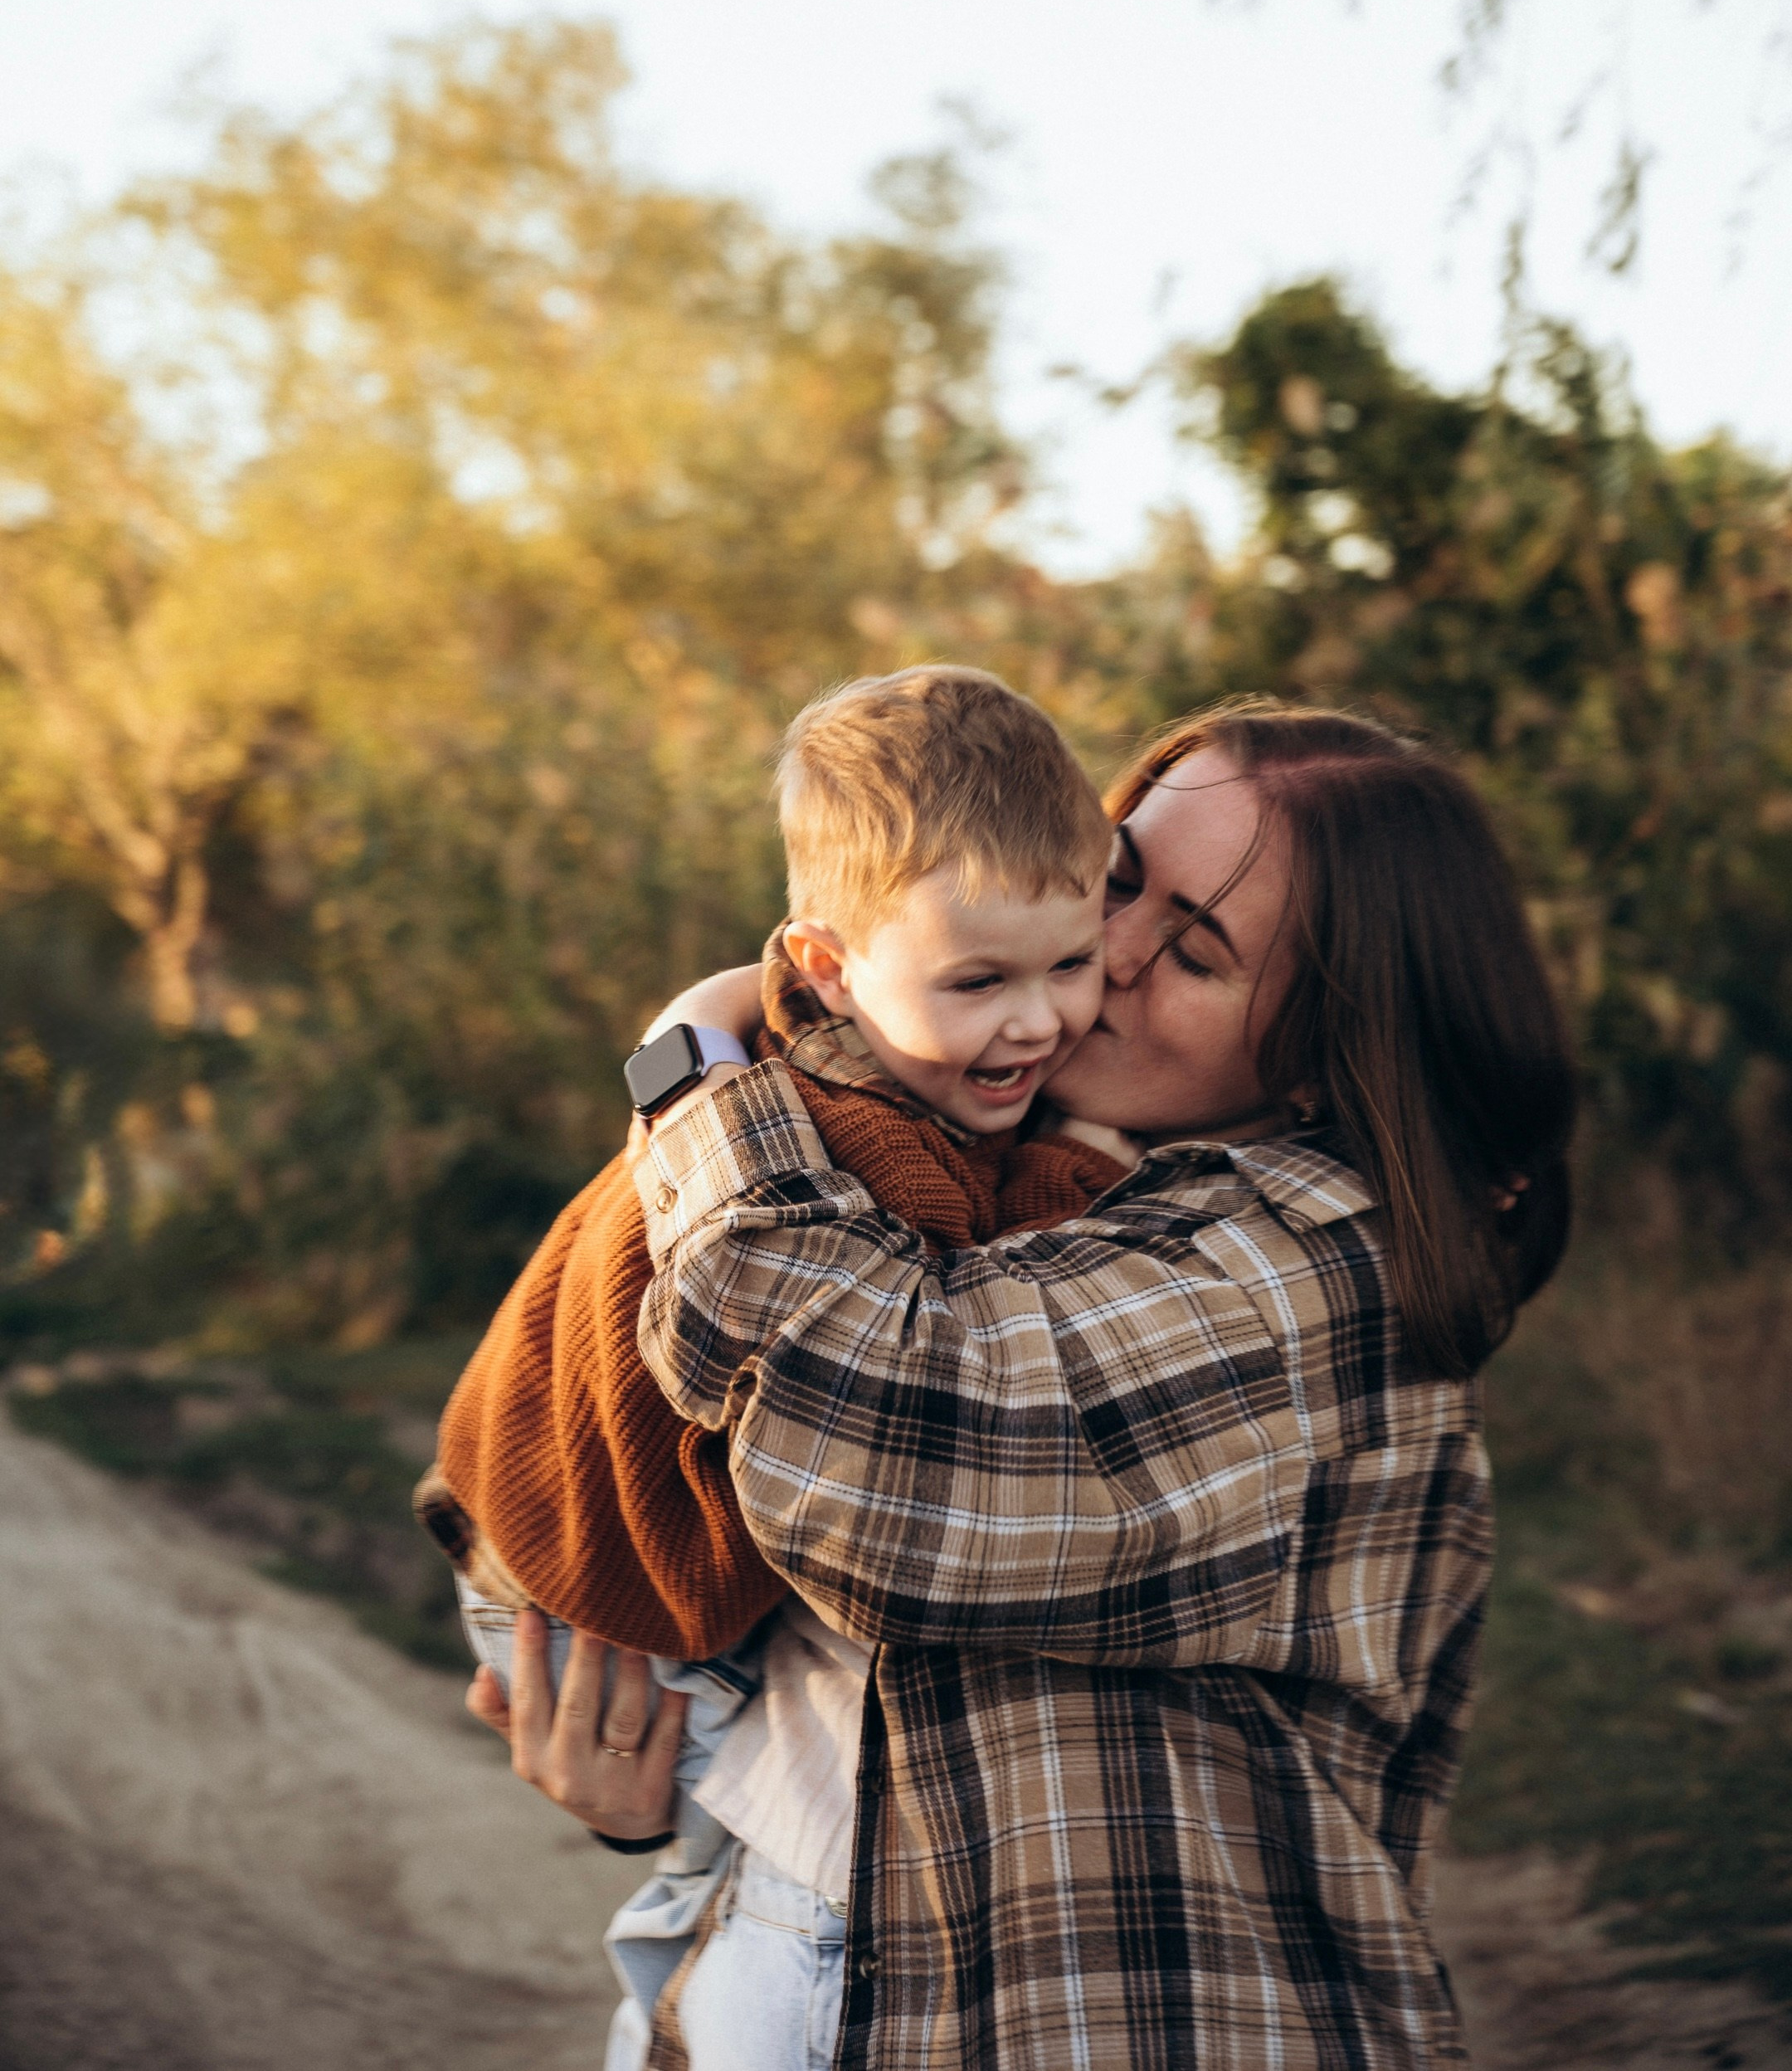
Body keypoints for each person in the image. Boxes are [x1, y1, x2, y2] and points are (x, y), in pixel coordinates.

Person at [484, 699, 1574, 2071]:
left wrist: (695, 1065)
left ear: (1324, 1052)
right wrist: (647, 1760)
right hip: (822, 1960)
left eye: (1191, 948)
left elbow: (877, 1444)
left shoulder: (1314, 1259)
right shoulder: (1002, 1163)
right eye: (1116, 878)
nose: (1098, 958)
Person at [445, 667, 1132, 2062]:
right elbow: (958, 1306)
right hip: (581, 1575)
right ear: (826, 964)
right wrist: (1099, 1174)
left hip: (519, 1521)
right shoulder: (857, 1132)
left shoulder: (782, 1042)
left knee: (715, 1872)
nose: (1041, 1021)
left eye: (1073, 962)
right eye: (980, 980)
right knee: (746, 1863)